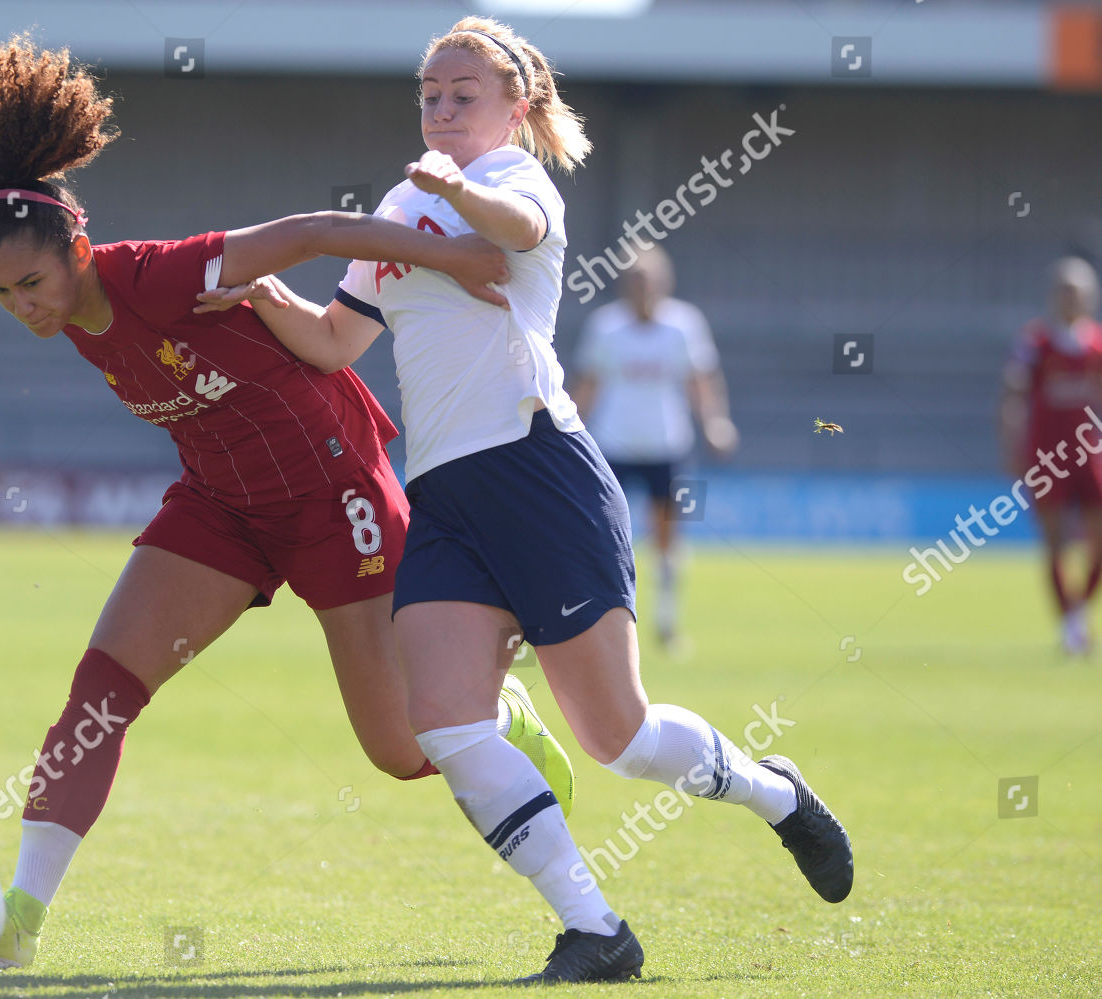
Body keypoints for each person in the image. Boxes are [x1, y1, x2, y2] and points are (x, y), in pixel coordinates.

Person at [197, 16, 852, 983]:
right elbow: (338, 340)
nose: (444, 108)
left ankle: (774, 794)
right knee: (446, 721)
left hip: (539, 470)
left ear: (518, 107)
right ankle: (596, 929)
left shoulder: (512, 181)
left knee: (618, 737)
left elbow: (518, 239)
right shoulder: (400, 202)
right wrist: (256, 296)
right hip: (448, 494)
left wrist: (457, 188)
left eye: (465, 94)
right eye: (430, 94)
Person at [0, 35, 577, 969]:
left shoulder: (155, 275)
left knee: (403, 752)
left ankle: (499, 703)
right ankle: (21, 922)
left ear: (78, 250)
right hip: (222, 507)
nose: (22, 307)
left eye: (32, 283)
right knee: (102, 694)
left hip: (335, 496)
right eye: (0, 293)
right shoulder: (70, 314)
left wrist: (451, 259)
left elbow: (319, 230)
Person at [569, 247, 738, 651]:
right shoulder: (606, 327)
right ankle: (601, 624)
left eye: (649, 280)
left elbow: (701, 379)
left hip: (667, 444)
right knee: (604, 537)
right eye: (635, 280)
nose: (642, 288)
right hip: (612, 445)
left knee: (667, 537)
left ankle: (666, 622)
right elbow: (588, 383)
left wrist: (715, 421)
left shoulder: (684, 325)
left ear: (665, 282)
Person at [1000, 256, 1102, 656]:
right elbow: (1013, 394)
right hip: (1047, 458)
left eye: (1077, 292)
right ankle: (1070, 627)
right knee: (1055, 543)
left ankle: (1075, 616)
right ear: (1053, 295)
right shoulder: (1035, 342)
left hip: (1090, 456)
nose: (1071, 299)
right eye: (1065, 290)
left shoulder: (1097, 343)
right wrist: (1013, 447)